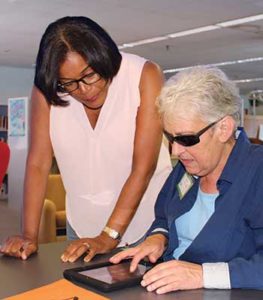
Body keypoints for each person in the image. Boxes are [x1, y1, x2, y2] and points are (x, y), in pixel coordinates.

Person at [0, 16, 171, 261]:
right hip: (81, 228)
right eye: (69, 83)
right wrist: (29, 234)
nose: (83, 90)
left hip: (147, 228)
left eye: (89, 75)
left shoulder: (144, 75)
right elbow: (38, 163)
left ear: (105, 58)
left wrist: (108, 236)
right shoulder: (48, 90)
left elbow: (143, 167)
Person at [110, 66, 263, 293]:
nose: (176, 151)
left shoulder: (257, 172)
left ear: (223, 128)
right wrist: (158, 238)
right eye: (170, 138)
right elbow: (164, 216)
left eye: (186, 139)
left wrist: (202, 275)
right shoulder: (188, 167)